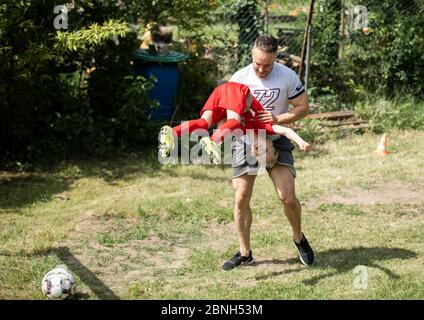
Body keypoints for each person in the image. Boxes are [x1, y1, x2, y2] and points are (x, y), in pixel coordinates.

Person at [221, 35, 315, 271]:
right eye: (257, 64)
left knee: (287, 196)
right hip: (245, 141)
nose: (262, 70)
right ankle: (245, 254)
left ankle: (299, 238)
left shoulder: (287, 76)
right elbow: (232, 118)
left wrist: (277, 119)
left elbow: (303, 108)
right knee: (241, 197)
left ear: (276, 59)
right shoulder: (239, 78)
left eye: (268, 65)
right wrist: (252, 138)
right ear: (251, 55)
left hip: (277, 138)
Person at [158, 81, 311, 165]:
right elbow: (285, 131)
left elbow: (222, 125)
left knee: (204, 123)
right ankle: (212, 142)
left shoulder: (243, 133)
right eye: (266, 151)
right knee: (234, 120)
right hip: (237, 90)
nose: (260, 151)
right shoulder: (265, 128)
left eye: (259, 155)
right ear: (270, 144)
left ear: (252, 154)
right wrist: (300, 141)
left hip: (220, 92)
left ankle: (172, 132)